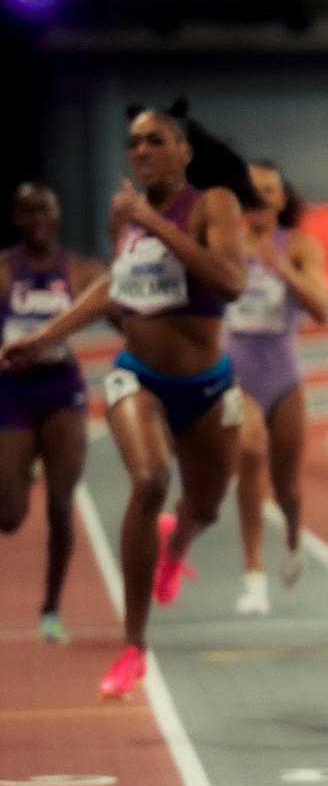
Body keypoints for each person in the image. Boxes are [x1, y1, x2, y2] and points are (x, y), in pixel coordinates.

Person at [1, 103, 253, 698]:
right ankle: (134, 646)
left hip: (209, 385)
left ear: (183, 150)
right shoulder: (128, 221)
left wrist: (152, 220)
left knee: (209, 505)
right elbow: (113, 291)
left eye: (154, 141)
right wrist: (44, 337)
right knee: (148, 478)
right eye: (134, 143)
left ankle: (178, 546)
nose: (140, 152)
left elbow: (232, 282)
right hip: (137, 375)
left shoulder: (212, 204)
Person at [0, 183, 106, 644]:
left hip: (62, 392)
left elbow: (127, 313)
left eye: (45, 209)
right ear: (17, 219)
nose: (38, 218)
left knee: (62, 506)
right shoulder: (4, 272)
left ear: (59, 215)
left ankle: (50, 609)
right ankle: (22, 470)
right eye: (28, 211)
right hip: (12, 393)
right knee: (9, 517)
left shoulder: (79, 270)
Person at [230, 161, 328, 616]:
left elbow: (322, 309)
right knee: (250, 452)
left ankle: (293, 536)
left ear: (281, 198)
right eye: (251, 190)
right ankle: (253, 574)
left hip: (285, 377)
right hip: (236, 374)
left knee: (288, 486)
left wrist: (283, 270)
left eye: (269, 190)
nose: (260, 197)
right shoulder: (224, 244)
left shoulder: (301, 245)